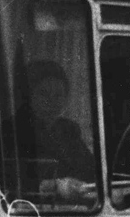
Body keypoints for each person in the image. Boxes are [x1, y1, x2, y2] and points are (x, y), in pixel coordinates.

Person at [6, 60, 96, 205]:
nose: (52, 102)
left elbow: (90, 169)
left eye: (59, 95)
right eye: (44, 94)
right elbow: (10, 181)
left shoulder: (69, 129)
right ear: (28, 96)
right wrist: (53, 186)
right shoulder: (12, 129)